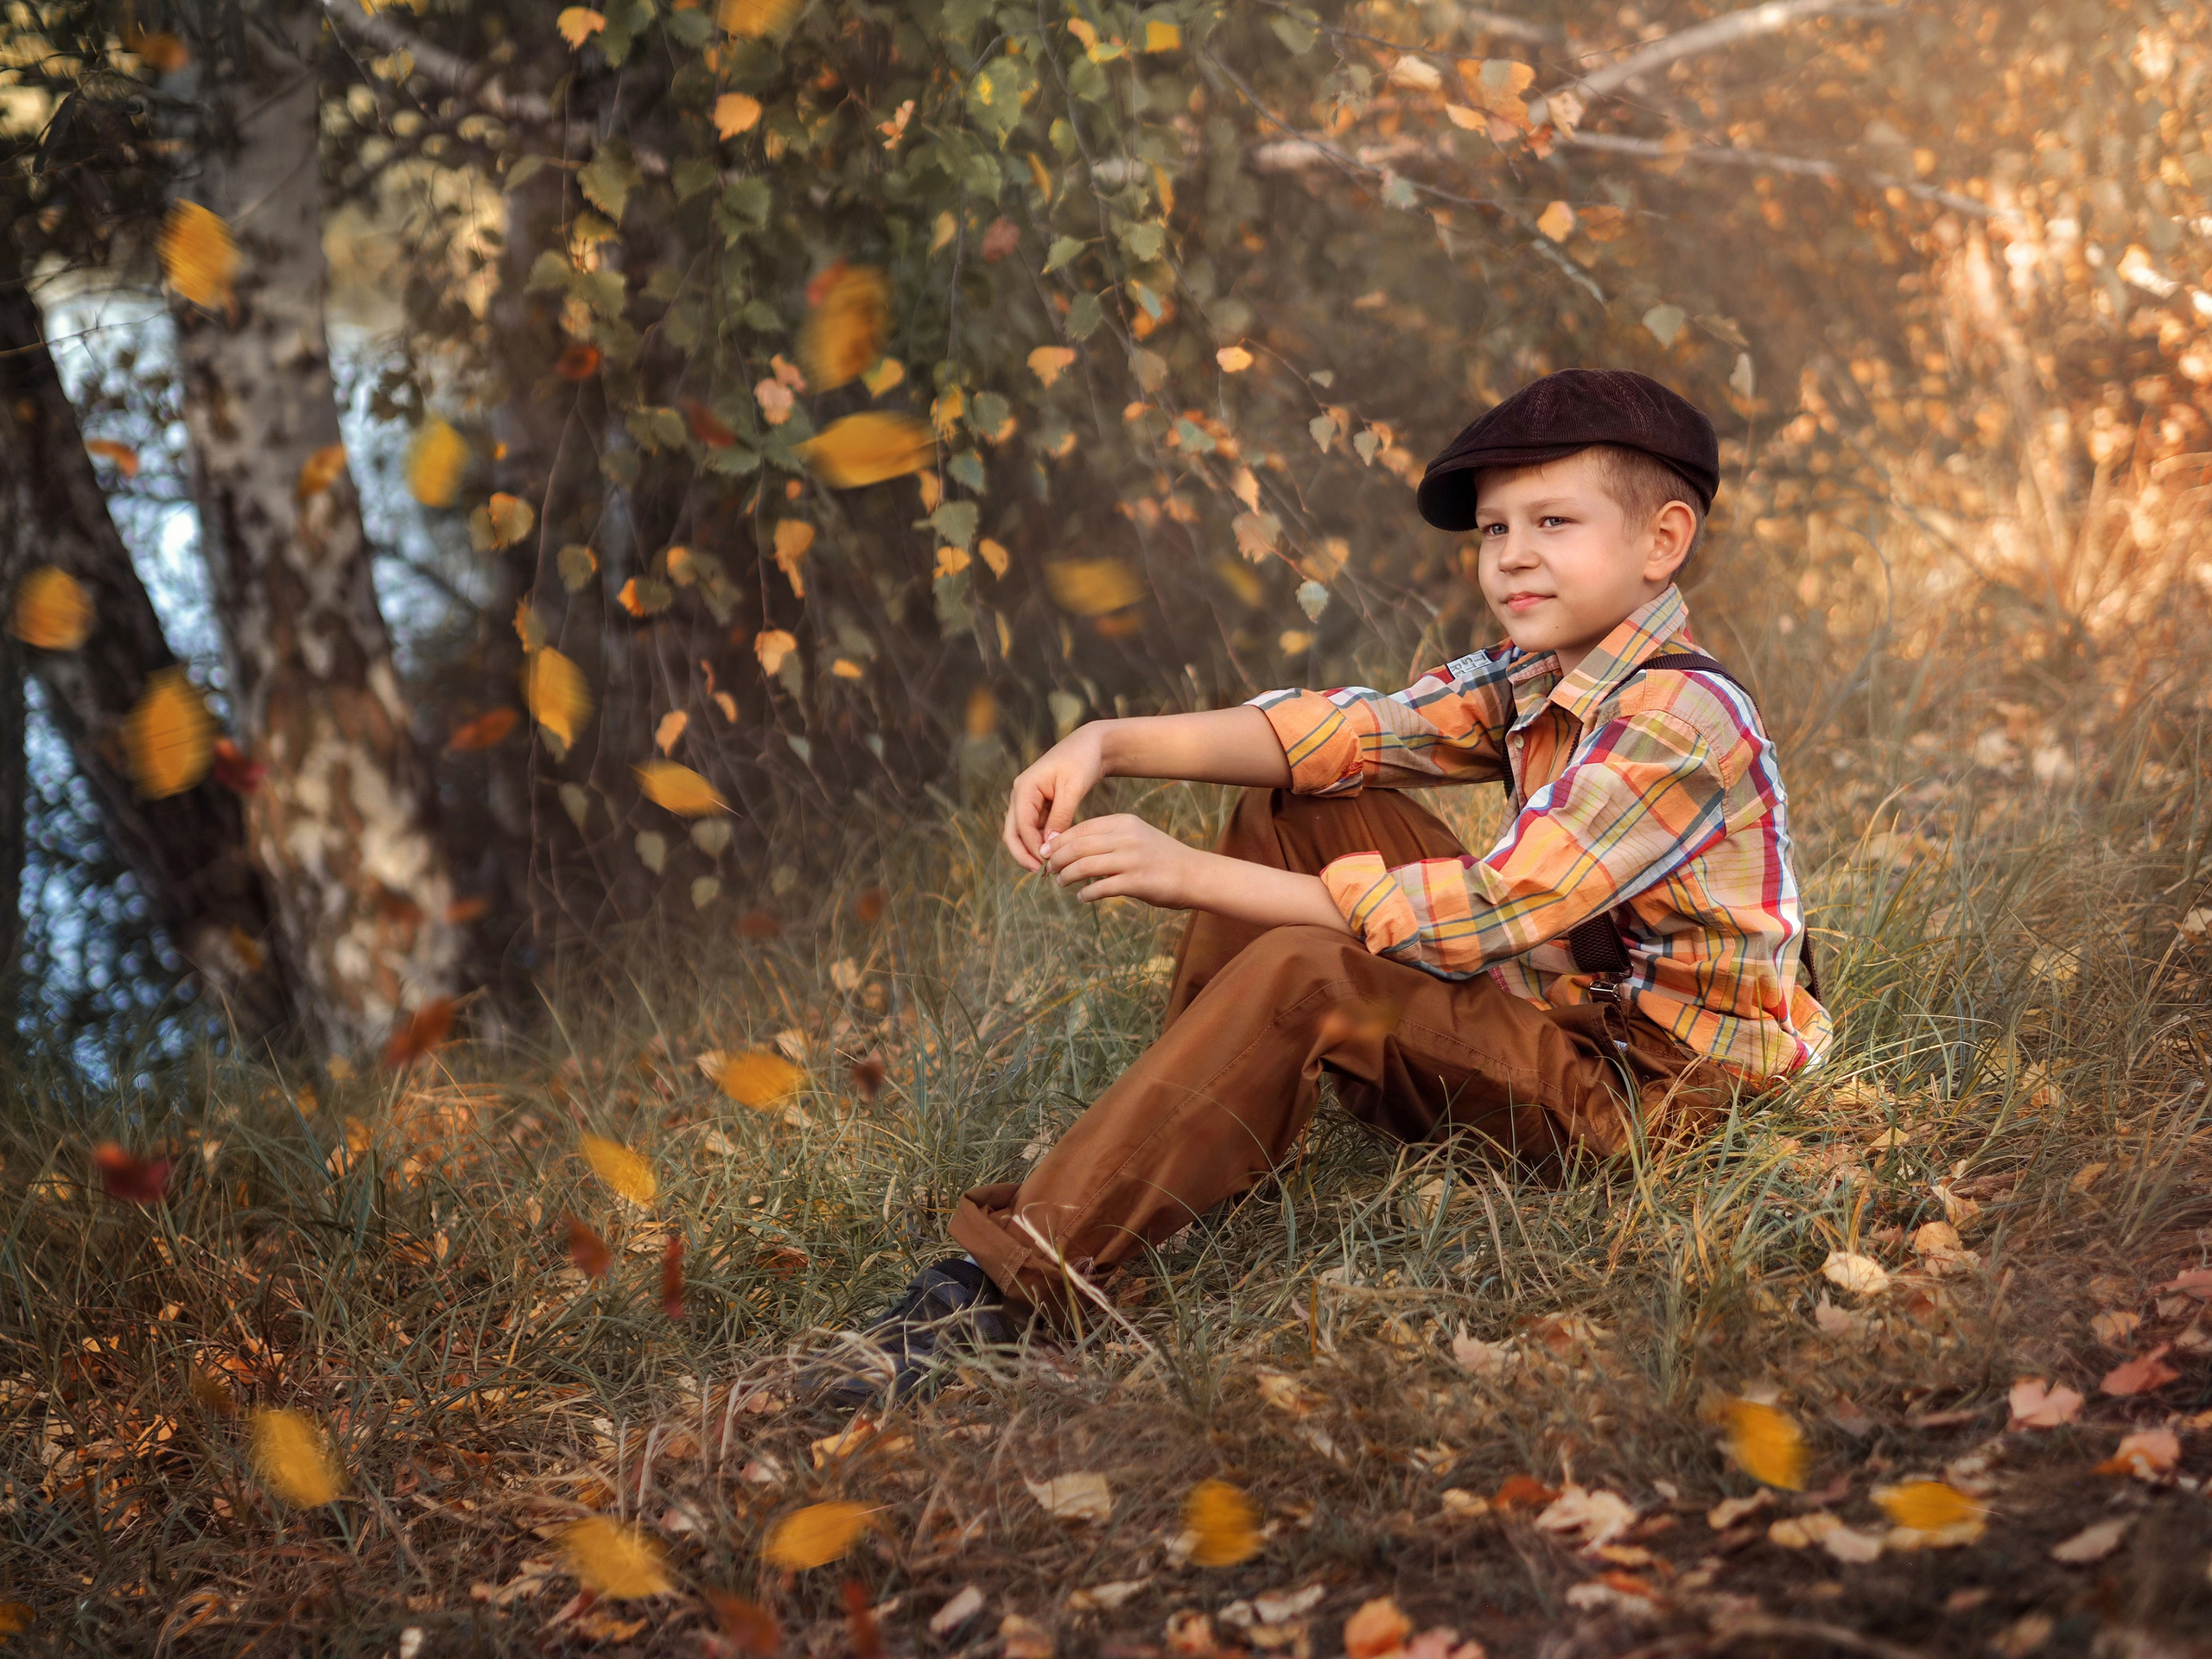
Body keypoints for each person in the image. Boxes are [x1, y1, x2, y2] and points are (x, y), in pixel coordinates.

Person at [812, 368, 1831, 1409]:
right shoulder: (1543, 672)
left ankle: (1016, 1281)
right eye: (1492, 531)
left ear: (1662, 542)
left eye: (1553, 522)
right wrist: (1105, 741)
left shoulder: (1677, 717)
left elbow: (1491, 914)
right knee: (1291, 809)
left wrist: (1190, 874)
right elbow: (1352, 735)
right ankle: (1199, 1125)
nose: (1513, 555)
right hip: (1575, 1015)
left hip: (1658, 1100)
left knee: (1311, 970)